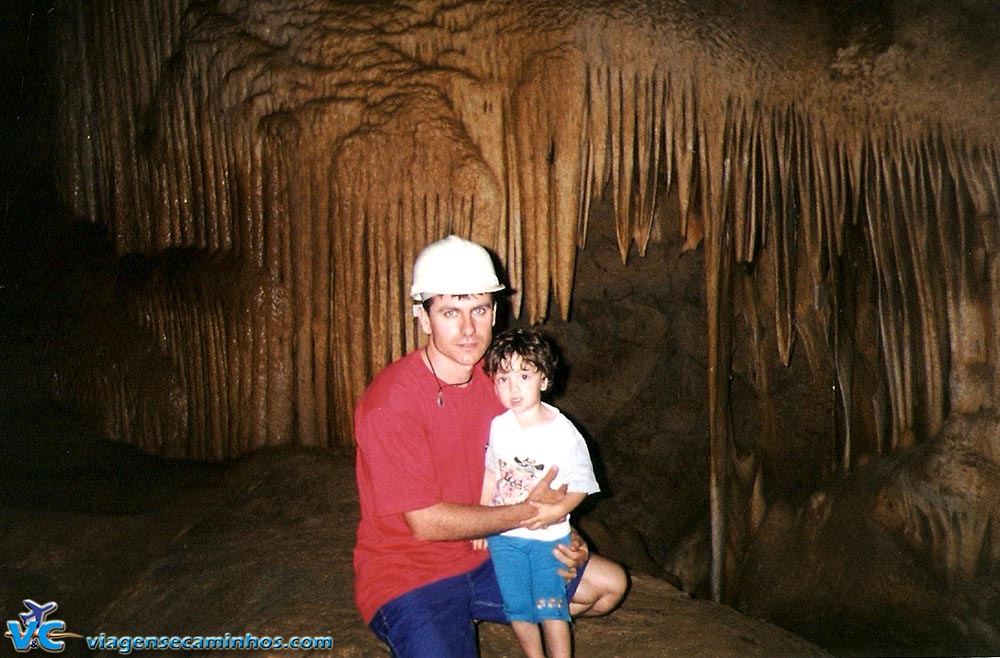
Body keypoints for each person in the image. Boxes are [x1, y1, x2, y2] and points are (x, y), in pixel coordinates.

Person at [353, 235, 627, 658]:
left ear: (494, 312)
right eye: (450, 312)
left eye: (478, 310)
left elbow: (532, 467)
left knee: (607, 586)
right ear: (423, 319)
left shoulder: (499, 382)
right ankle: (438, 623)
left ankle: (482, 609)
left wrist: (562, 529)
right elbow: (425, 523)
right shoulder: (392, 402)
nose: (468, 329)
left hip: (490, 554)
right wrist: (535, 514)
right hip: (410, 573)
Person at [477, 328, 600, 658]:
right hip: (505, 537)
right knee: (516, 607)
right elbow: (492, 473)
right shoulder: (499, 426)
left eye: (524, 375)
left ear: (544, 380)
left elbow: (581, 484)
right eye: (503, 378)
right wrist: (482, 519)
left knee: (550, 605)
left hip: (549, 537)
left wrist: (555, 512)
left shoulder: (564, 433)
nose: (513, 387)